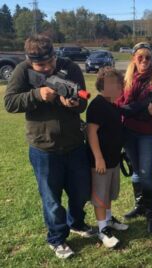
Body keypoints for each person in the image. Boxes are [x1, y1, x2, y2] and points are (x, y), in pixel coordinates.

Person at [4, 34, 93, 259]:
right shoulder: (22, 71)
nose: (46, 68)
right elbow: (10, 102)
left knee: (80, 192)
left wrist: (72, 103)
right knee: (51, 199)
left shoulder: (70, 67)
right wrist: (37, 94)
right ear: (30, 61)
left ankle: (77, 223)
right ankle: (57, 238)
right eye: (40, 65)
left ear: (55, 55)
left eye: (49, 62)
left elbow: (82, 104)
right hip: (44, 148)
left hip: (74, 144)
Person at [116, 42, 152, 234]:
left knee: (146, 173)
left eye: (148, 57)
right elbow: (120, 106)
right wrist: (140, 108)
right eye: (140, 57)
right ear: (133, 59)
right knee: (136, 172)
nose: (144, 60)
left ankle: (151, 215)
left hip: (150, 133)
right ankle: (140, 206)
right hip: (129, 132)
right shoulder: (126, 80)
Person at [86, 67, 128, 249]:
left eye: (120, 84)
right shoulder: (97, 105)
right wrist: (98, 158)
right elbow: (91, 132)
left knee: (109, 192)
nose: (120, 87)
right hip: (101, 161)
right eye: (115, 84)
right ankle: (102, 228)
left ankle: (109, 220)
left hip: (113, 159)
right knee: (100, 196)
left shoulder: (113, 105)